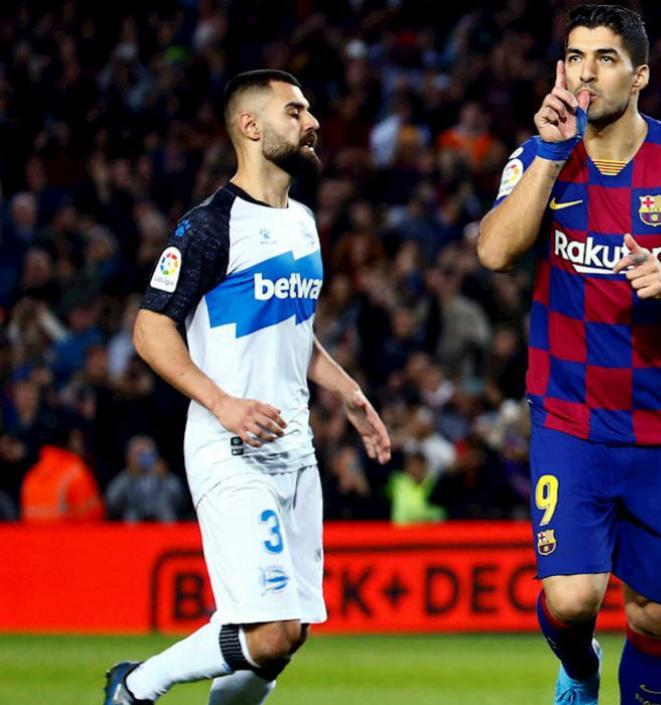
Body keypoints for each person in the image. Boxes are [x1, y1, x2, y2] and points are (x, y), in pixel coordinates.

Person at [477, 5, 661, 703]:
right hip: (571, 421)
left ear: (639, 75)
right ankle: (579, 669)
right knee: (573, 600)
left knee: (655, 613)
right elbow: (493, 250)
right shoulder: (540, 156)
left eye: (604, 59)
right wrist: (547, 154)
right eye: (574, 57)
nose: (585, 73)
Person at [103, 70, 391, 705]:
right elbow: (151, 330)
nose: (311, 122)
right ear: (251, 127)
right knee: (269, 632)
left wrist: (347, 391)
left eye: (309, 109)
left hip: (296, 451)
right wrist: (221, 402)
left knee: (288, 636)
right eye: (295, 111)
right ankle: (135, 686)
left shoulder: (304, 221)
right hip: (230, 450)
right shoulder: (210, 226)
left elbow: (294, 330)